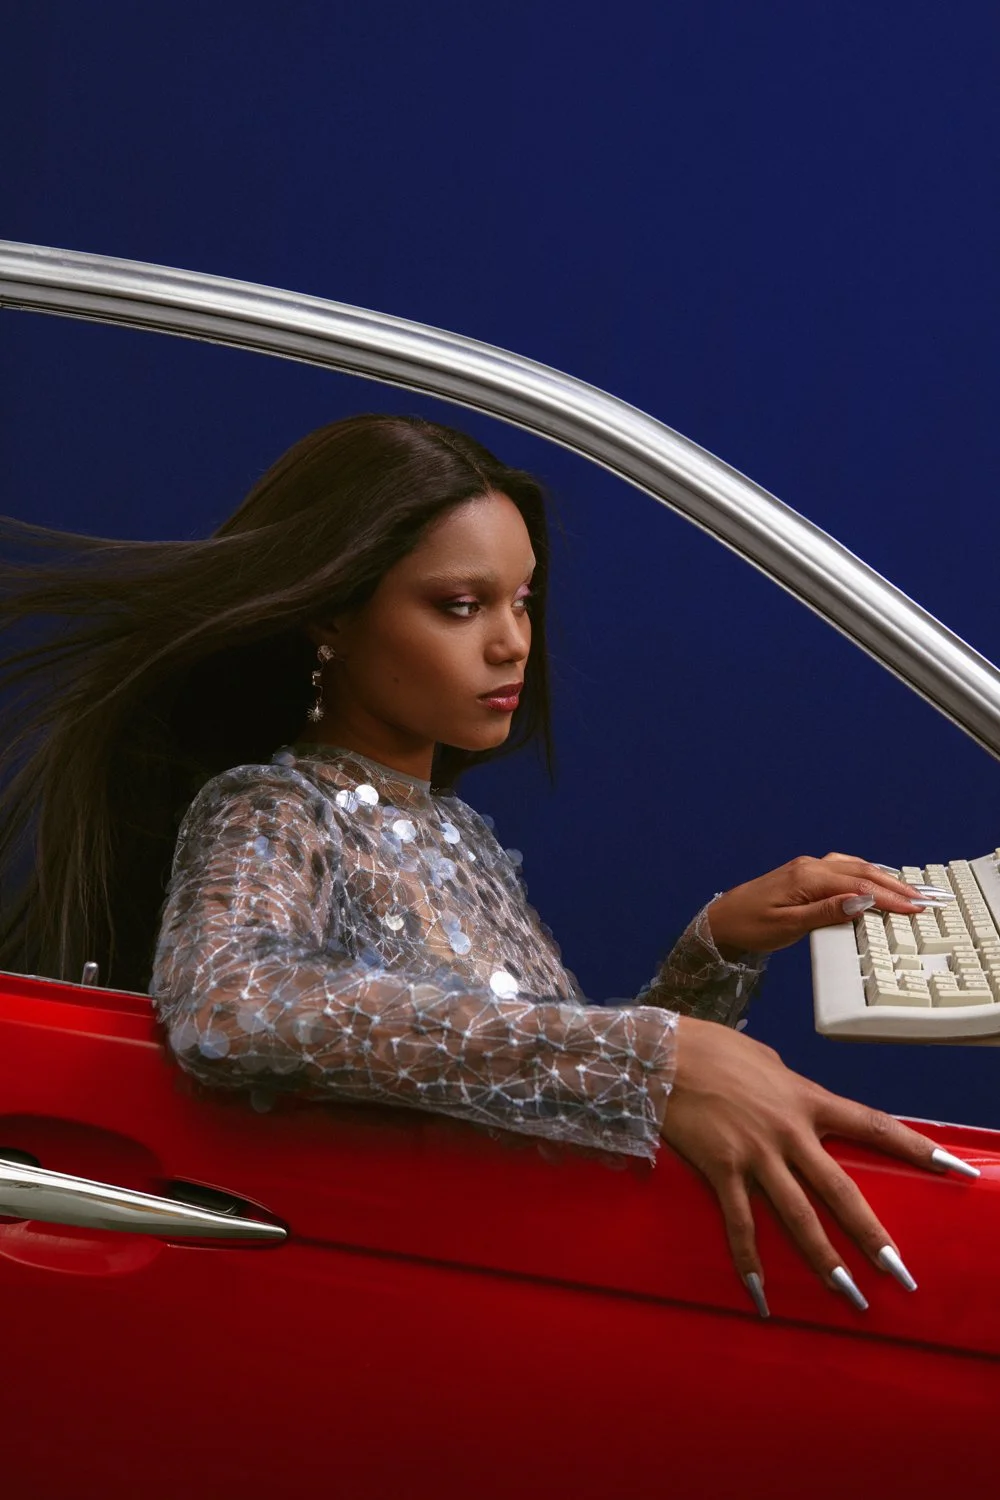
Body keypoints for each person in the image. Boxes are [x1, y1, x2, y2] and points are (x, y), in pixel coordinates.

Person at [0, 413, 977, 1321]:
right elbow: (229, 1011)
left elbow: (542, 1096)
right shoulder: (272, 806)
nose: (512, 642)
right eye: (460, 605)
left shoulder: (455, 835)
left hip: (519, 1289)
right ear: (329, 617)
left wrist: (713, 946)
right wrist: (652, 1052)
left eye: (520, 599)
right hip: (391, 1313)